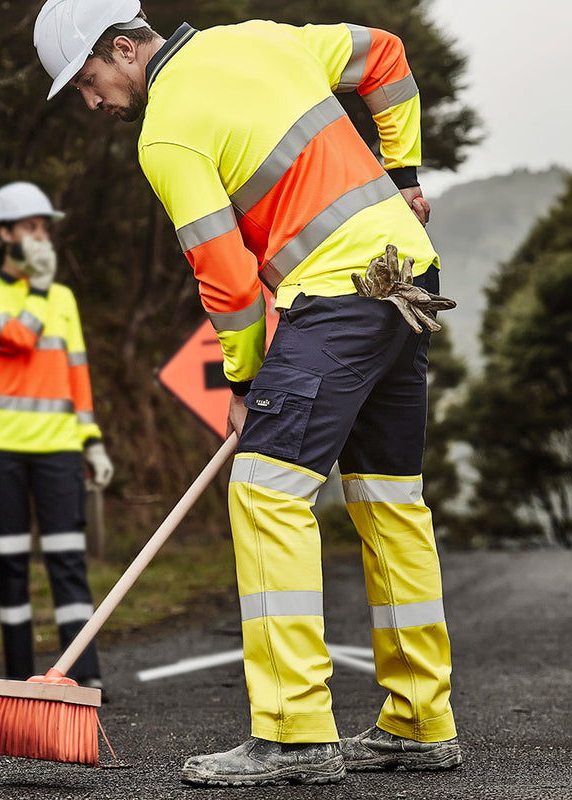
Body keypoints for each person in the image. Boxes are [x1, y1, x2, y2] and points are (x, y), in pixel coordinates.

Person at [33, 0, 461, 787]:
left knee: (264, 491)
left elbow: (226, 280)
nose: (91, 102)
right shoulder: (263, 39)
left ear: (125, 50)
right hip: (409, 281)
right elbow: (388, 57)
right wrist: (402, 177)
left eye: (89, 81)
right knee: (390, 502)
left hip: (337, 297)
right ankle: (420, 722)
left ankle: (295, 733)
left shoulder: (165, 133)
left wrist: (242, 379)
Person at [0, 181, 113, 693]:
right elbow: (17, 340)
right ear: (5, 235)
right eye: (31, 229)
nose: (42, 239)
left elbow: (77, 374)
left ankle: (83, 675)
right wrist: (40, 290)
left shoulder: (64, 297)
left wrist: (91, 440)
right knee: (11, 570)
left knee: (68, 564)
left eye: (46, 230)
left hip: (59, 449)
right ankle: (19, 681)